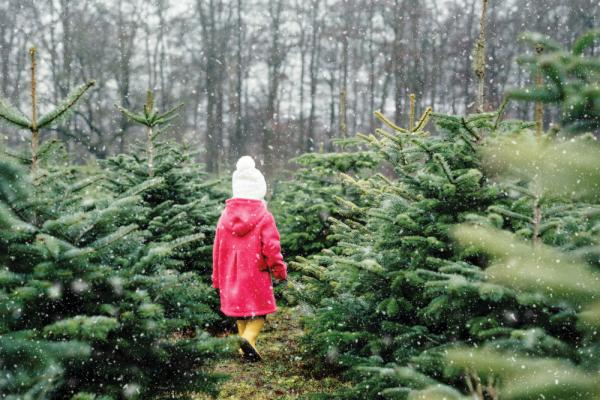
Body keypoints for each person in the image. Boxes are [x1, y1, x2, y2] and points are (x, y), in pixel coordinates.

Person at [212, 156, 287, 361]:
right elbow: (272, 248)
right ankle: (248, 339)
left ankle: (244, 345)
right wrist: (279, 270)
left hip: (230, 273)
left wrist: (217, 278)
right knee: (259, 312)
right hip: (255, 272)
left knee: (241, 312)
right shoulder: (264, 216)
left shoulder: (224, 216)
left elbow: (217, 249)